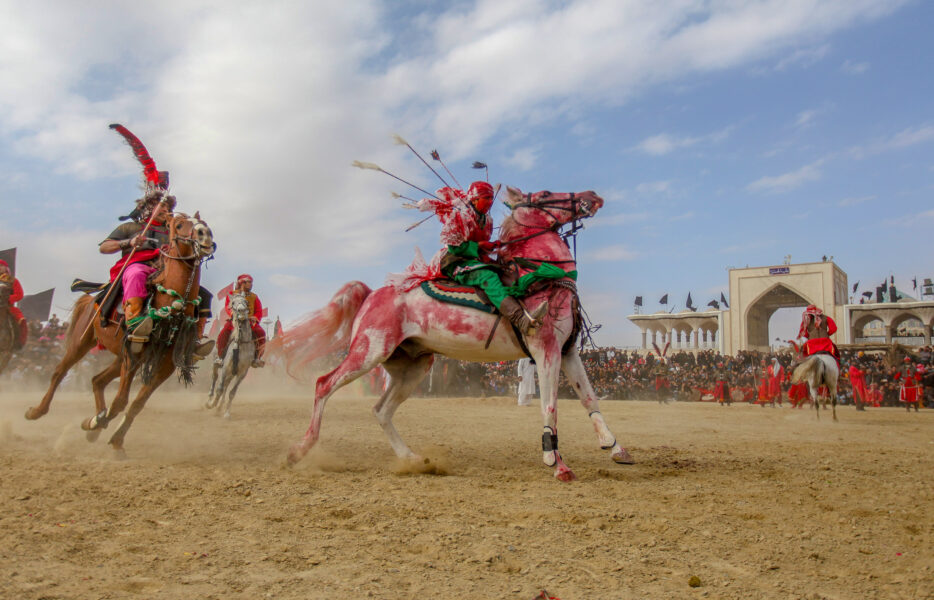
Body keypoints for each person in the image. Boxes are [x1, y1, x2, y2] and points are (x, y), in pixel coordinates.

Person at [412, 181, 547, 335]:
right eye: (486, 198)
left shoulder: (488, 221)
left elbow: (480, 246)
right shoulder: (459, 216)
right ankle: (519, 319)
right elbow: (455, 247)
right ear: (475, 199)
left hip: (475, 259)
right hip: (454, 261)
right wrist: (480, 246)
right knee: (488, 276)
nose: (490, 202)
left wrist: (490, 246)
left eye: (491, 198)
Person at [99, 188, 214, 357]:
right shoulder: (131, 227)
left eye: (168, 208)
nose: (166, 210)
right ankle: (134, 321)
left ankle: (194, 339)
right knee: (136, 274)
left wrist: (199, 234)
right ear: (147, 208)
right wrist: (129, 242)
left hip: (165, 270)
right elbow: (104, 247)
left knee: (202, 293)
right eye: (161, 206)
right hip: (139, 265)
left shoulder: (172, 230)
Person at [215, 274, 266, 368]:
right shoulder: (232, 294)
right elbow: (228, 307)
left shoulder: (254, 297)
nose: (251, 285)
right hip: (234, 321)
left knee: (261, 333)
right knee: (223, 333)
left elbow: (258, 311)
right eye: (249, 282)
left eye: (251, 283)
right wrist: (232, 314)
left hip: (250, 322)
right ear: (242, 283)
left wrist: (255, 318)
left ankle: (257, 358)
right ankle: (220, 358)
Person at [0, 259, 28, 349]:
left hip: (8, 307)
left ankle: (18, 343)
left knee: (21, 321)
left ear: (6, 268)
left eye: (1, 266)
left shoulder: (12, 280)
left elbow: (19, 294)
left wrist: (7, 298)